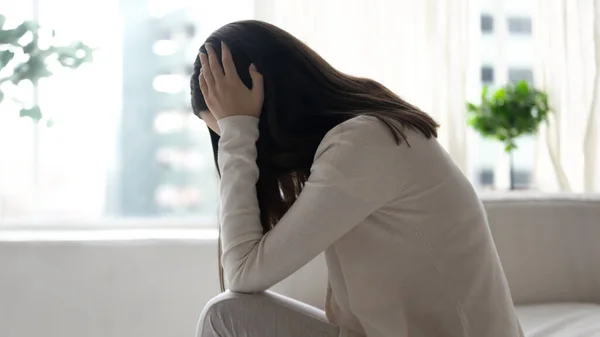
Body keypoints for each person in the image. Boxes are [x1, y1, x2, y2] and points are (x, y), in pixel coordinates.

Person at [190, 20, 524, 337]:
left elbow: (242, 274)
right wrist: (236, 137)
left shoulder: (363, 141)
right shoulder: (353, 139)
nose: (244, 149)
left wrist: (237, 133)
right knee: (226, 312)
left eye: (243, 132)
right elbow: (234, 280)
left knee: (224, 315)